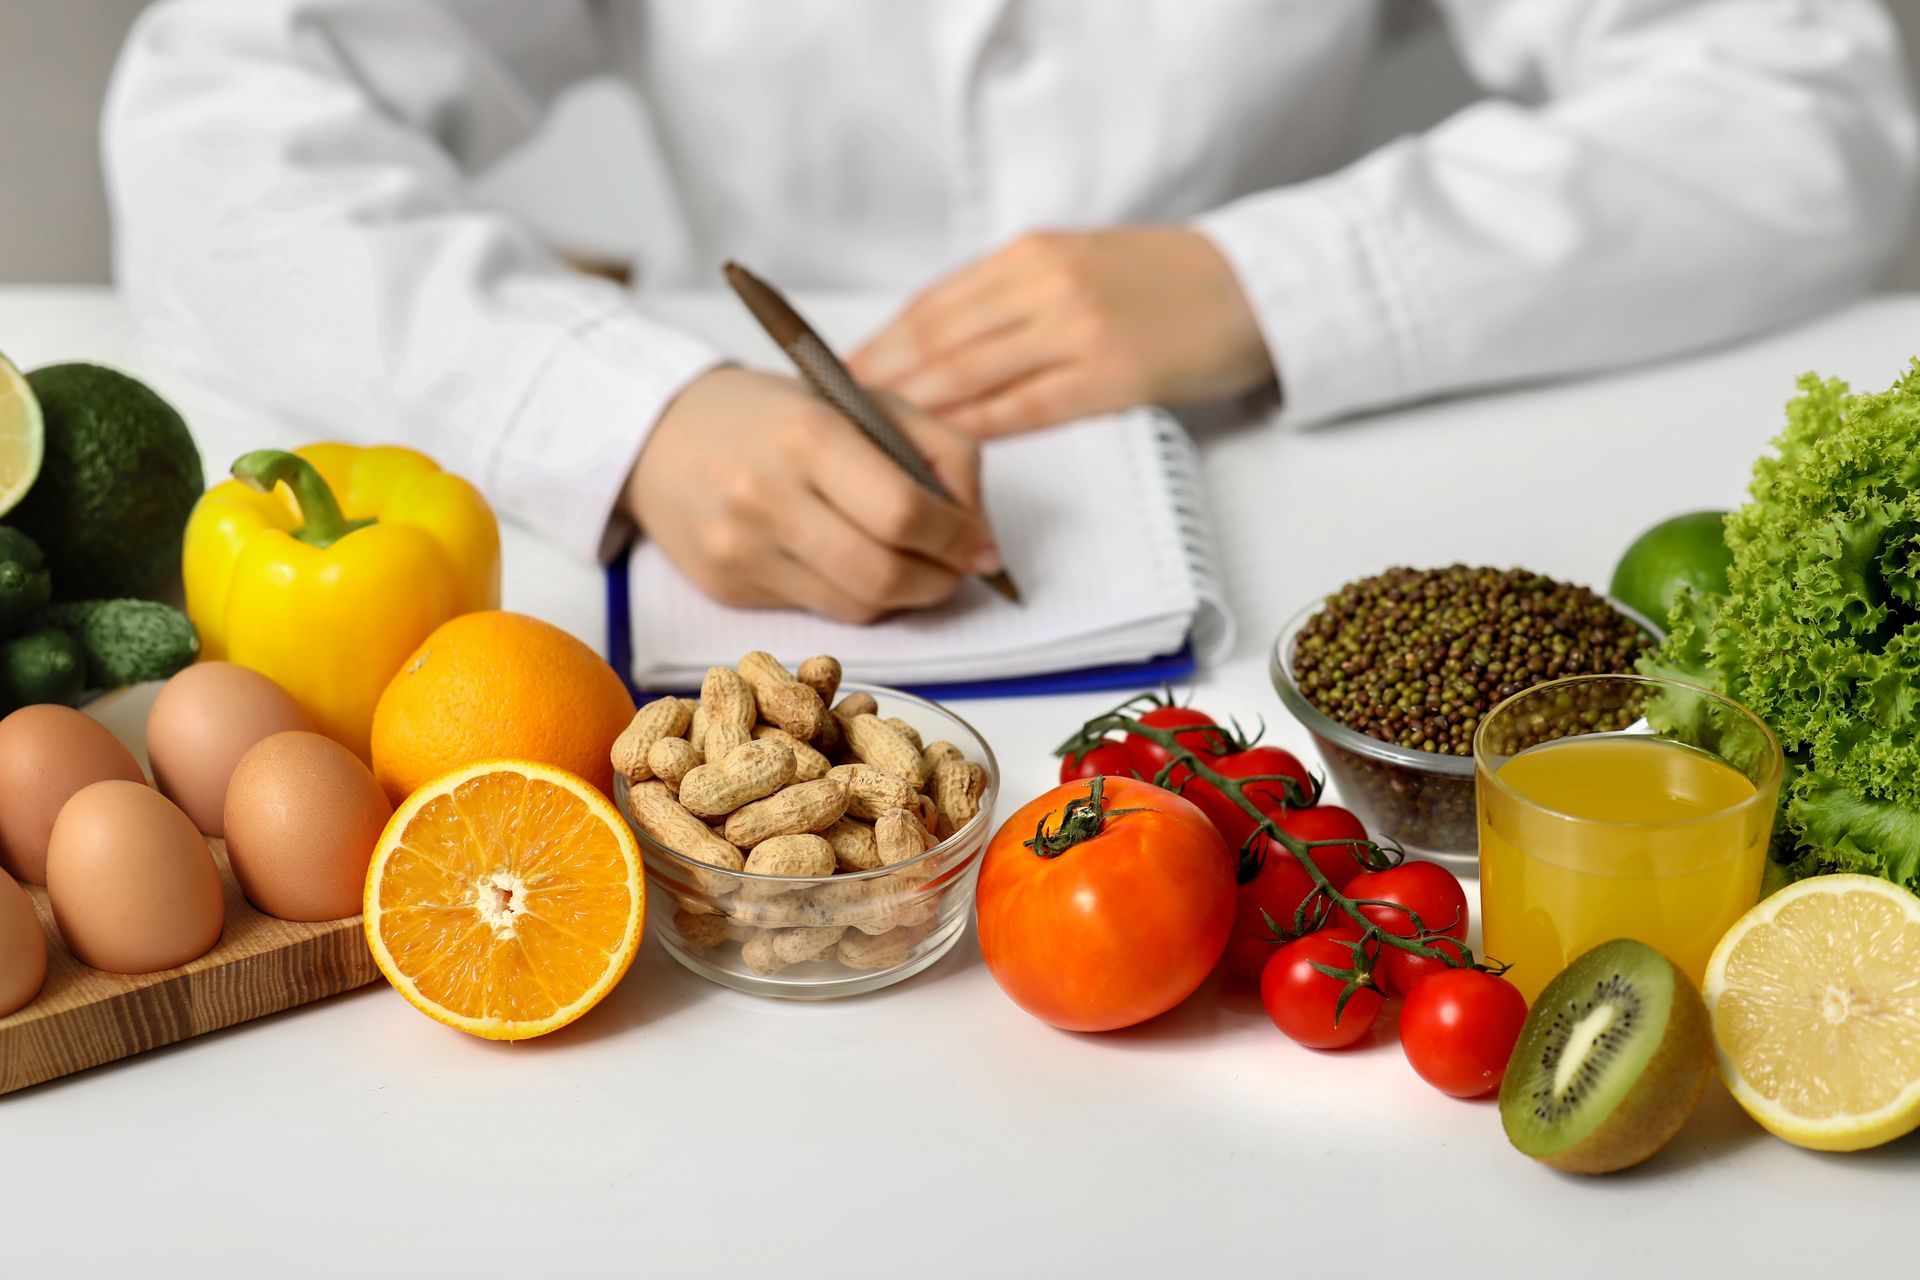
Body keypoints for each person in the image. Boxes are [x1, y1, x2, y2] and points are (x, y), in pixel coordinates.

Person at [105, 1, 1917, 622]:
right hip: (751, 512)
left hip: (1299, 481)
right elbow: (217, 118)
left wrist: (1278, 277)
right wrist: (621, 408)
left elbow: (1807, 96)